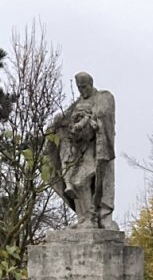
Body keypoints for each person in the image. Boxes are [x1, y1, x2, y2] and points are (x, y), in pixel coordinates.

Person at [48, 71, 118, 230]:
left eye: (84, 87)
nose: (81, 90)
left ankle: (97, 217)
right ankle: (84, 218)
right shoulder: (77, 103)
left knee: (86, 180)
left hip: (96, 148)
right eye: (79, 87)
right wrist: (58, 123)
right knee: (75, 182)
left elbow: (104, 114)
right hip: (78, 148)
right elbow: (66, 121)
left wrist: (91, 119)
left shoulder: (103, 97)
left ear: (91, 84)